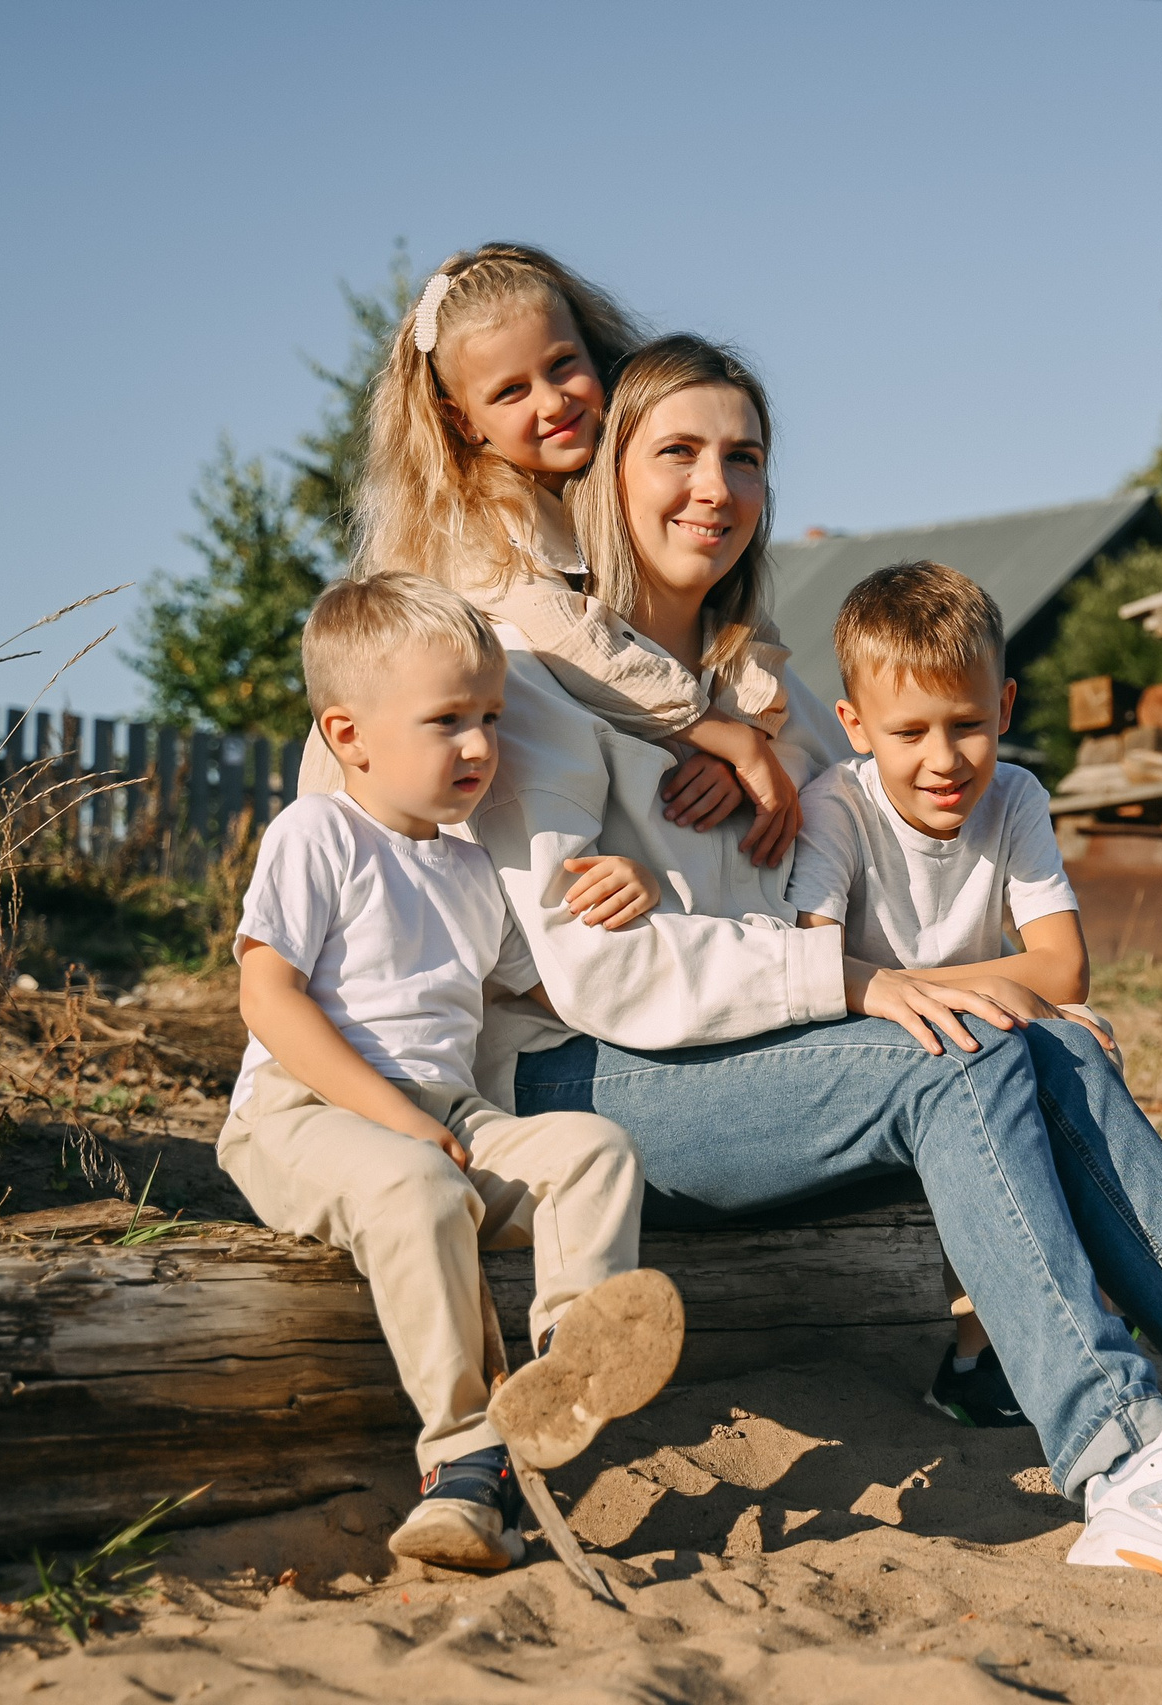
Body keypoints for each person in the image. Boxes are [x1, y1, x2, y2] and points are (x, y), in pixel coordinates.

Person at [476, 330, 1162, 1588]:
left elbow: (871, 867)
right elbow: (597, 974)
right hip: (585, 1086)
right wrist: (870, 988)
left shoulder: (775, 700)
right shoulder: (537, 676)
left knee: (1035, 1041)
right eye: (678, 453)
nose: (715, 486)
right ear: (605, 472)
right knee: (959, 1049)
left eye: (744, 457)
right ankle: (1127, 1460)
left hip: (759, 1075)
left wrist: (989, 992)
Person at [218, 572, 680, 1574]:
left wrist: (638, 893)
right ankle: (462, 1463)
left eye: (489, 718)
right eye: (446, 721)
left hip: (446, 1110)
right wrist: (391, 1115)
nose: (479, 746)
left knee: (593, 1150)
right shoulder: (318, 835)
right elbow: (269, 999)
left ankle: (564, 1371)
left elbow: (550, 991)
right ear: (350, 736)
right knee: (422, 1186)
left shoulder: (473, 870)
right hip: (305, 1110)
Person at [346, 242, 811, 865]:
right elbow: (574, 640)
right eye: (511, 391)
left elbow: (744, 624)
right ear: (464, 424)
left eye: (562, 364)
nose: (552, 402)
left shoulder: (590, 496)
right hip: (385, 857)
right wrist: (717, 732)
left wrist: (751, 728)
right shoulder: (480, 523)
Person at [785, 559, 1117, 1430]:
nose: (944, 760)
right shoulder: (837, 811)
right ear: (856, 726)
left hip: (964, 1027)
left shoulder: (1014, 798)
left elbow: (1064, 968)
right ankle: (982, 1346)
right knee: (990, 1051)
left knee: (1087, 1036)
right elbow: (814, 963)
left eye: (969, 725)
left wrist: (914, 981)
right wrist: (966, 991)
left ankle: (1069, 1303)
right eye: (911, 732)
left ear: (1005, 709)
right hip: (868, 1050)